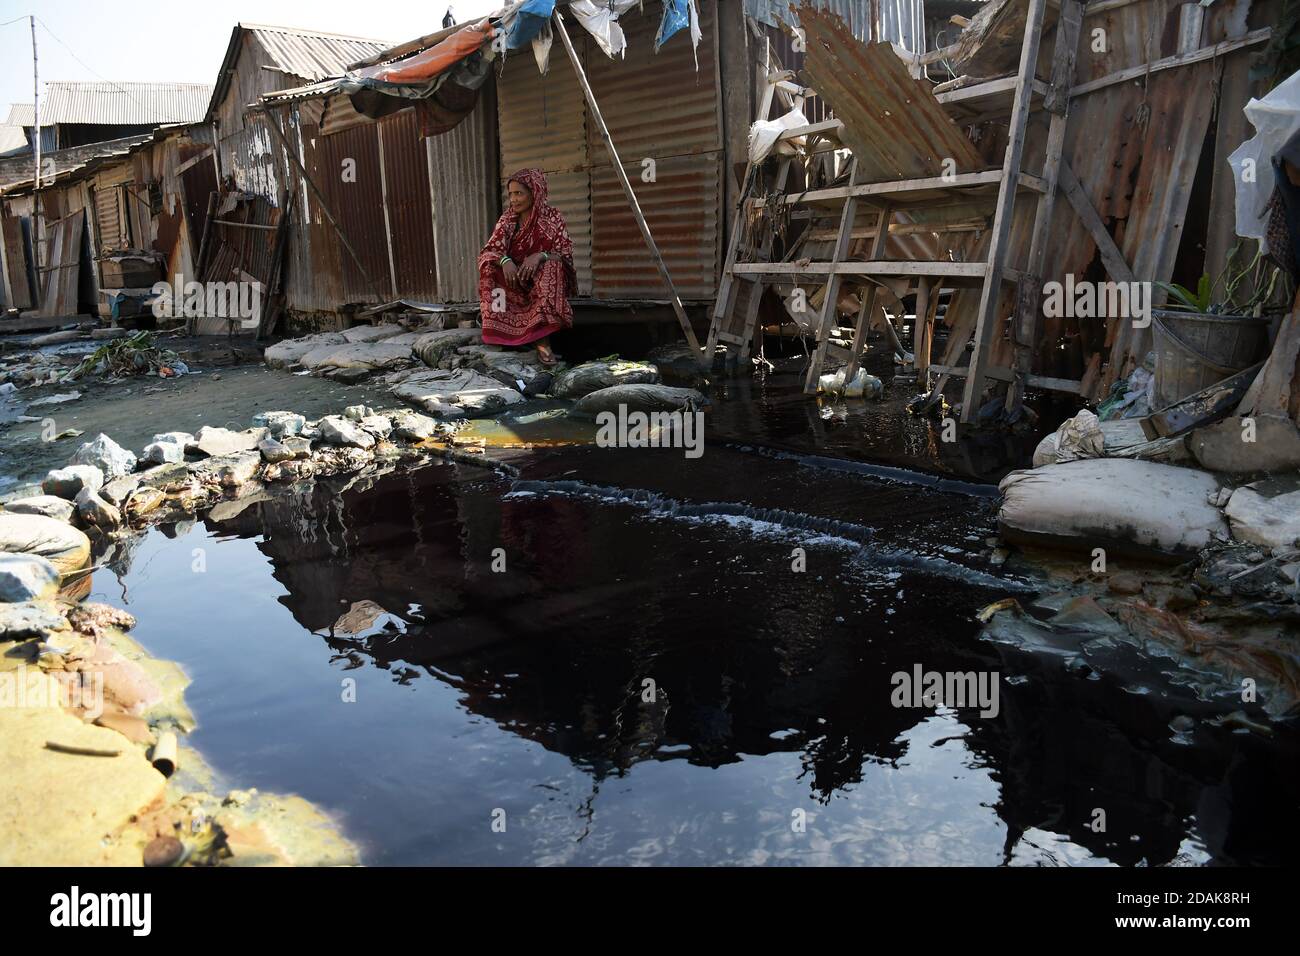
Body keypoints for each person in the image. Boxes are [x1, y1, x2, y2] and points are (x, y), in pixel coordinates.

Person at [477, 167, 576, 365]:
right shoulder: (508, 220)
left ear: (535, 193)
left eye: (519, 193)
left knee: (551, 268)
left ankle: (542, 341)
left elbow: (564, 257)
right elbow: (488, 252)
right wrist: (505, 261)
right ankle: (501, 331)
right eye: (510, 194)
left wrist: (540, 256)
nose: (513, 199)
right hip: (514, 281)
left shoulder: (553, 218)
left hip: (541, 283)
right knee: (490, 267)